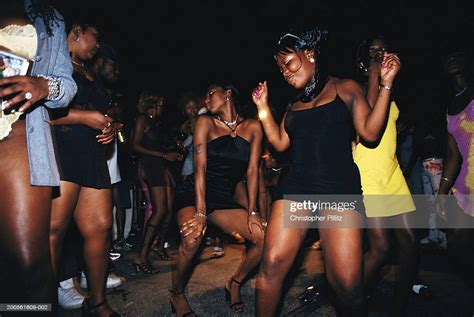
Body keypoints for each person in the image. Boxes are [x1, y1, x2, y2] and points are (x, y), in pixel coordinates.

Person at [252, 27, 401, 316]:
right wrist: (262, 109)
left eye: (289, 63)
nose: (284, 72)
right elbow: (281, 142)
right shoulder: (293, 104)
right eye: (280, 68)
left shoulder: (346, 88)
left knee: (346, 285)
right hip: (296, 187)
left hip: (338, 190)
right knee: (271, 264)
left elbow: (370, 134)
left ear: (310, 55)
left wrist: (386, 84)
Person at [0, 0, 77, 308]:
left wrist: (45, 86)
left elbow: (67, 85)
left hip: (15, 129)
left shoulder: (47, 15)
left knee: (30, 268)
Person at [170, 82, 266, 315]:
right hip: (194, 194)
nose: (206, 100)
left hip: (223, 198)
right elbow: (200, 168)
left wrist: (253, 211)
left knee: (264, 237)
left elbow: (252, 172)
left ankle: (234, 283)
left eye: (210, 93)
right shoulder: (205, 123)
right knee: (192, 239)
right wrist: (200, 213)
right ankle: (176, 293)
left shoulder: (253, 127)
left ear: (228, 94)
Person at [48, 21, 120, 316]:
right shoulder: (54, 64)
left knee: (101, 227)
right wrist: (84, 117)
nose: (97, 44)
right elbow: (40, 115)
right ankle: (41, 305)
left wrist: (110, 127)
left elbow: (99, 114)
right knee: (54, 231)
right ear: (76, 32)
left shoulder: (90, 73)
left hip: (91, 155)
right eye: (95, 36)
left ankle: (97, 301)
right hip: (61, 153)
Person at [352, 34, 418, 315]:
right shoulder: (359, 90)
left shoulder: (388, 89)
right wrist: (376, 74)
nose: (380, 55)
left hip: (392, 172)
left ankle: (399, 305)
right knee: (379, 248)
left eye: (383, 50)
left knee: (410, 241)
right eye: (373, 52)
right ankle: (351, 304)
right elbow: (368, 125)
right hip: (369, 172)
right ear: (363, 63)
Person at [131, 90, 183, 273]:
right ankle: (141, 256)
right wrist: (163, 155)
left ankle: (158, 246)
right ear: (151, 104)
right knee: (159, 210)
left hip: (161, 166)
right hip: (150, 166)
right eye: (160, 104)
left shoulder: (155, 123)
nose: (162, 107)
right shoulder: (142, 120)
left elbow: (160, 146)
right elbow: (135, 145)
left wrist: (171, 154)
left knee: (168, 210)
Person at [436, 50, 474, 288]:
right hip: (464, 186)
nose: (451, 59)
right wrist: (441, 192)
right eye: (447, 57)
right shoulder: (450, 107)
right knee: (458, 245)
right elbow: (452, 155)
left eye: (457, 55)